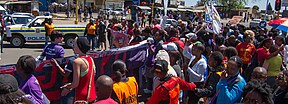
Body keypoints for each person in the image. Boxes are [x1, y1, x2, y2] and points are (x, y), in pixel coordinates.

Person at [60, 37, 96, 103]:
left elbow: (75, 83)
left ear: (79, 46)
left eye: (75, 45)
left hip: (81, 96)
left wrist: (67, 87)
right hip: (91, 94)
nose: (73, 47)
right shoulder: (90, 59)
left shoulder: (77, 61)